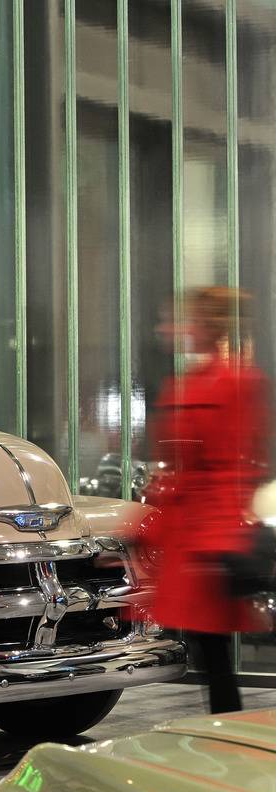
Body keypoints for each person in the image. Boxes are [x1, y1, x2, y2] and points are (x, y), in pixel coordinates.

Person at [140, 286, 269, 714]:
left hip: (207, 539)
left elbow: (235, 468)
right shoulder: (191, 384)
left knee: (211, 651)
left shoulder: (231, 384)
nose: (169, 327)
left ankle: (228, 738)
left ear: (204, 326)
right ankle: (226, 736)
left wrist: (217, 537)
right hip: (196, 535)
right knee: (209, 652)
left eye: (181, 319)